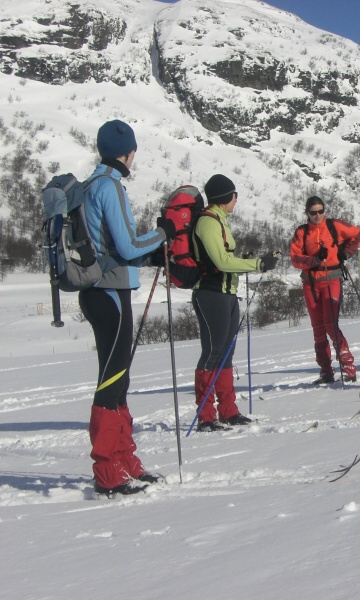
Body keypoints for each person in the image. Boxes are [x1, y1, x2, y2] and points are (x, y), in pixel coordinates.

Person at [79, 119, 175, 496]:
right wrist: (164, 232)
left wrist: (143, 258)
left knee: (118, 379)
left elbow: (112, 247)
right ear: (129, 152)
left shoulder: (88, 186)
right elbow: (131, 244)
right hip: (110, 293)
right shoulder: (110, 187)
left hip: (98, 290)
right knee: (112, 380)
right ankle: (107, 470)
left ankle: (122, 460)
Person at [192, 174, 279, 431]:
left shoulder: (219, 220)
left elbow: (224, 259)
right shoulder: (208, 222)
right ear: (226, 197)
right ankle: (206, 416)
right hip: (211, 294)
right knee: (212, 354)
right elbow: (221, 262)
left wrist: (249, 261)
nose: (236, 199)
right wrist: (257, 264)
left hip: (226, 293)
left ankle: (228, 411)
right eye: (234, 194)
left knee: (226, 354)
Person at [290, 196, 360, 384]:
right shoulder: (302, 232)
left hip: (332, 280)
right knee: (318, 328)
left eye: (320, 211)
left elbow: (357, 234)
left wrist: (345, 252)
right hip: (311, 283)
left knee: (331, 324)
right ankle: (326, 371)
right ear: (307, 213)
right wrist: (314, 260)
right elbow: (295, 258)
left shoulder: (334, 226)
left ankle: (348, 367)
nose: (317, 215)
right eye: (313, 212)